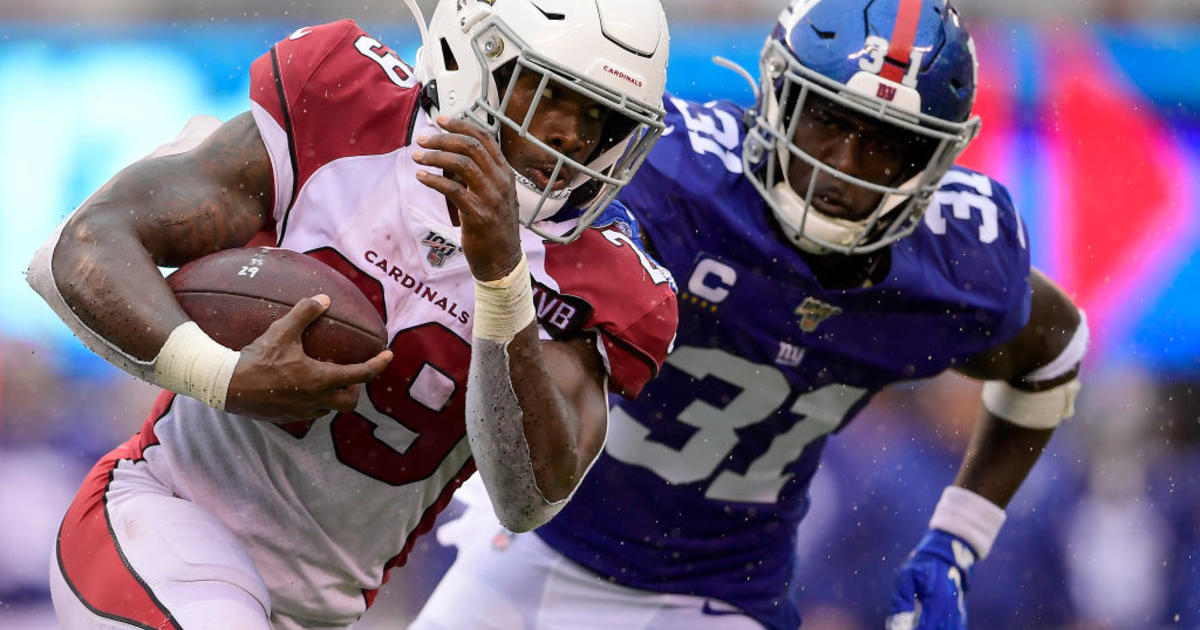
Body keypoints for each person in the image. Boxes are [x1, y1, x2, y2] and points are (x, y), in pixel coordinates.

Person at [409, 0, 1088, 628]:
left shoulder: (959, 263)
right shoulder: (674, 178)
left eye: (885, 143)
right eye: (826, 120)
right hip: (537, 542)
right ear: (776, 91)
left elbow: (1054, 352)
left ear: (935, 159)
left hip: (724, 594)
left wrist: (957, 541)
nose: (843, 167)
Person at [26, 0, 677, 628]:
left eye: (598, 117)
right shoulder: (341, 104)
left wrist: (501, 280)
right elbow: (80, 246)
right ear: (477, 59)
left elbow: (528, 495)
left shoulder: (602, 279)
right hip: (162, 517)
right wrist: (220, 374)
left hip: (318, 612)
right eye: (546, 92)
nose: (569, 133)